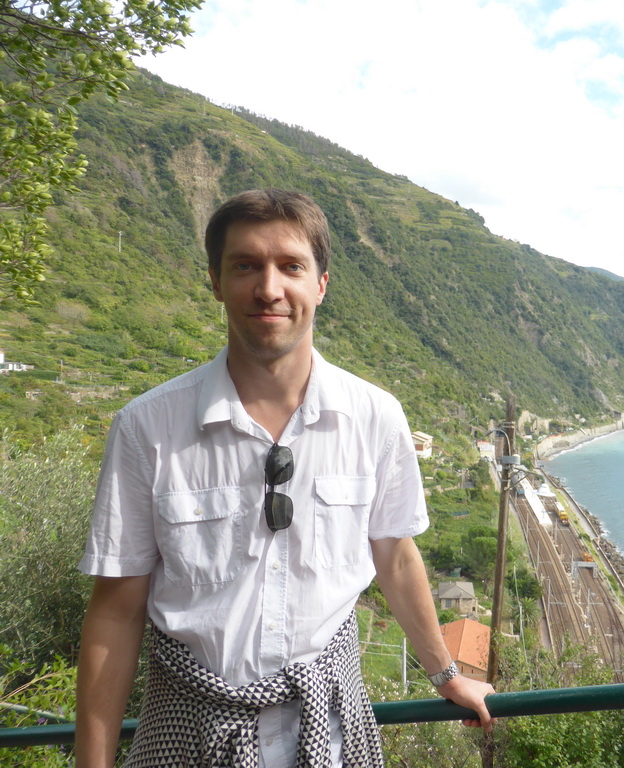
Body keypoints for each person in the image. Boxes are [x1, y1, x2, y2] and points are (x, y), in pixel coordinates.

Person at [75, 189, 494, 767]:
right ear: (215, 282)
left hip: (329, 729)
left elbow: (395, 557)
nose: (268, 288)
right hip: (188, 730)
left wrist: (447, 675)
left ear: (320, 284)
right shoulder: (147, 427)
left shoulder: (374, 417)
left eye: (290, 266)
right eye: (245, 265)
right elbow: (116, 610)